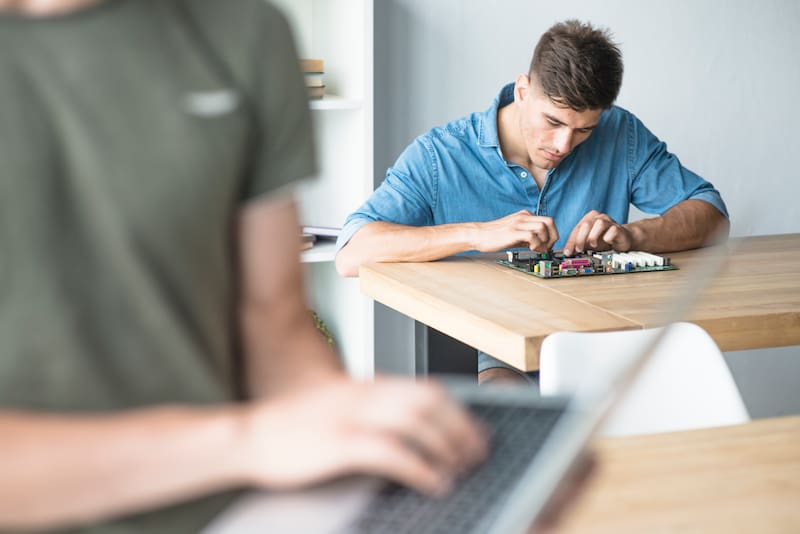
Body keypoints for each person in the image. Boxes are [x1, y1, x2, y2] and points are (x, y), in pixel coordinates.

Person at [0, 0, 489, 532]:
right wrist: (247, 441)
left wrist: (370, 437)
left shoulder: (245, 32)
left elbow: (274, 319)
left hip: (231, 511)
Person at [335, 19, 730, 384]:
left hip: (602, 345)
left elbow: (712, 214)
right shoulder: (441, 155)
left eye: (584, 130)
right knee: (511, 416)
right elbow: (352, 253)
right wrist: (478, 233)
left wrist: (634, 235)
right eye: (553, 122)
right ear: (523, 90)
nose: (564, 145)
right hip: (492, 358)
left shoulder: (620, 132)